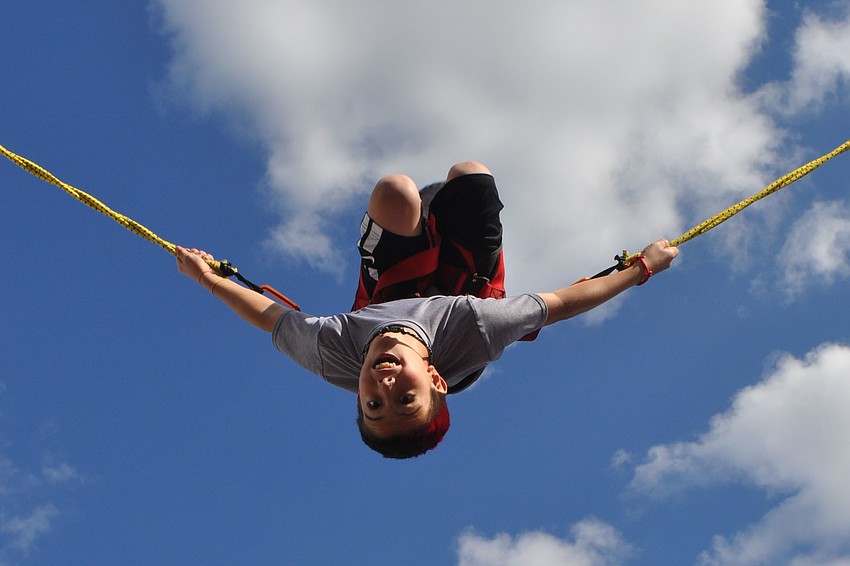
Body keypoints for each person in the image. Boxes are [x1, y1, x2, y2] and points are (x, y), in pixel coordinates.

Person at [176, 161, 678, 458]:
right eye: (405, 402)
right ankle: (444, 217)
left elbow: (268, 316)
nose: (386, 390)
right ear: (435, 382)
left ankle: (419, 222)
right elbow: (563, 302)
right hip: (464, 294)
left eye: (373, 405)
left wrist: (205, 277)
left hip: (393, 290)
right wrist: (642, 268)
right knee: (470, 175)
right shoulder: (481, 328)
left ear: (357, 393)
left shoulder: (331, 355)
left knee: (395, 190)